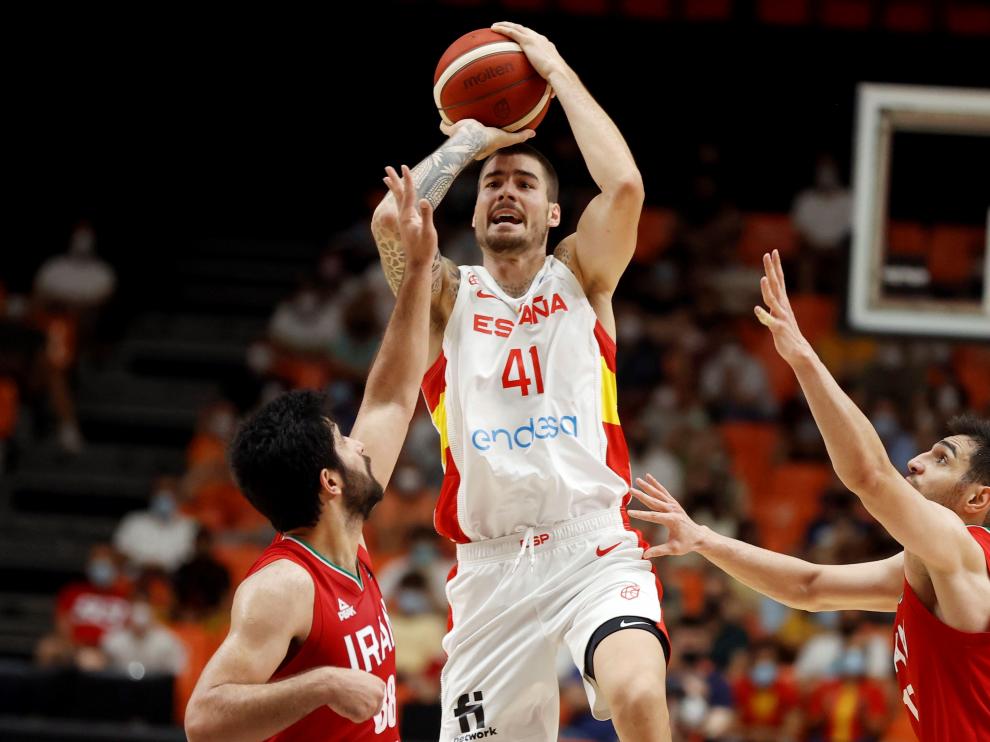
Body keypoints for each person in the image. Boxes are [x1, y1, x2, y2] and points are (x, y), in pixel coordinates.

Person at [372, 22, 670, 741]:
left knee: (634, 690)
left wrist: (555, 71)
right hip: (490, 572)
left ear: (554, 212)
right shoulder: (445, 298)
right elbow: (391, 220)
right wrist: (475, 139)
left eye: (525, 183)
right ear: (473, 213)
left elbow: (625, 184)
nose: (507, 191)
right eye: (494, 186)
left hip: (592, 545)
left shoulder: (584, 275)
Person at [630, 250, 990, 741]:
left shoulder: (962, 550)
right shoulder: (927, 567)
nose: (916, 461)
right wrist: (704, 540)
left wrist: (801, 355)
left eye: (942, 459)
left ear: (976, 500)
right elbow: (810, 588)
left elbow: (870, 476)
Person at [184, 164, 437, 741]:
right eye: (344, 441)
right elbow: (202, 720)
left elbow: (394, 397)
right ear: (329, 481)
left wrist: (418, 269)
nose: (359, 443)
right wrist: (322, 683)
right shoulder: (283, 587)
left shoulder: (350, 539)